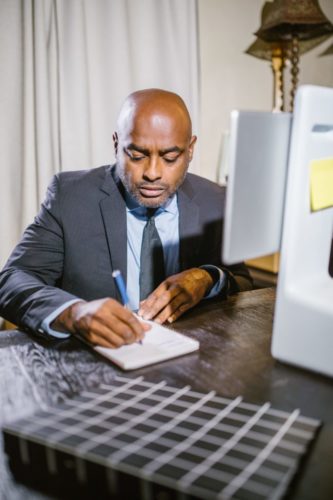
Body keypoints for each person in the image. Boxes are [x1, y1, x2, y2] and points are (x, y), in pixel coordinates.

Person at [0, 89, 252, 348]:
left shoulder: (215, 200)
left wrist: (207, 277)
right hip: (95, 364)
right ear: (116, 145)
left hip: (189, 358)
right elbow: (12, 280)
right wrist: (73, 313)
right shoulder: (70, 196)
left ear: (190, 150)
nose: (152, 173)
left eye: (170, 157)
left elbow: (242, 280)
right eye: (137, 155)